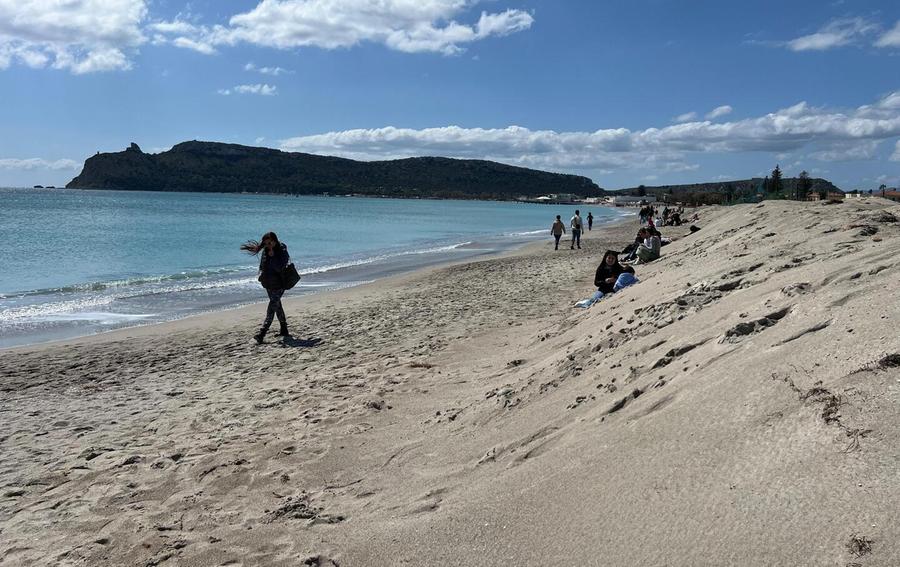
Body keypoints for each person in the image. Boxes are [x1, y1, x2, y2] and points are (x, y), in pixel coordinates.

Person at [241, 232, 291, 343]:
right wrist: (261, 275)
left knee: (272, 307)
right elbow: (263, 265)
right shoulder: (265, 251)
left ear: (275, 241)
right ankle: (284, 329)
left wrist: (273, 257)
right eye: (266, 243)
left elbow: (281, 267)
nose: (268, 245)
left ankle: (262, 333)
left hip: (279, 284)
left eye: (269, 243)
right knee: (277, 305)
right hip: (268, 284)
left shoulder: (282, 250)